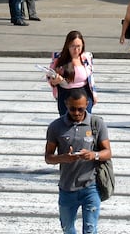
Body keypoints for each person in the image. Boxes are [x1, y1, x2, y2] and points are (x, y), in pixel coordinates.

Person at [44, 88, 111, 234]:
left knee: (90, 229)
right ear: (66, 104)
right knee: (67, 229)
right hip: (67, 188)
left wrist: (94, 155)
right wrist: (63, 158)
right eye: (72, 109)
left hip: (91, 186)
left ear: (87, 104)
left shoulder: (96, 123)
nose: (76, 113)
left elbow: (107, 152)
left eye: (81, 109)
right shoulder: (56, 127)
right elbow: (48, 157)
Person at [47, 30, 97, 116]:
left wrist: (94, 94)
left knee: (85, 123)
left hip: (84, 93)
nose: (76, 50)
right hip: (66, 95)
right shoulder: (59, 58)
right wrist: (55, 81)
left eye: (79, 46)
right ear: (67, 46)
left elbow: (91, 77)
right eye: (72, 46)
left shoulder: (87, 57)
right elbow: (49, 76)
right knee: (66, 124)